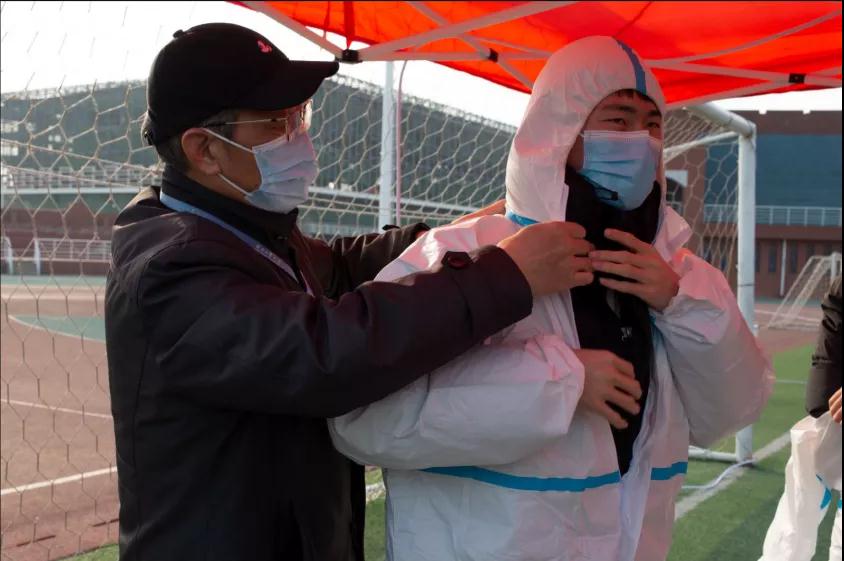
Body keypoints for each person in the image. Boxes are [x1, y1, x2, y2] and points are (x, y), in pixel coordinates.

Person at [105, 23, 598, 561]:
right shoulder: (170, 267)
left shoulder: (248, 230)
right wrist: (505, 276)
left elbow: (339, 266)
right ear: (205, 149)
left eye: (300, 116)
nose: (300, 138)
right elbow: (324, 353)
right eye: (277, 123)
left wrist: (462, 234)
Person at [330, 36, 774, 561]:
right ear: (561, 127)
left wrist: (682, 305)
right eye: (618, 120)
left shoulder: (680, 275)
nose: (641, 141)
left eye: (653, 125)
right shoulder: (464, 254)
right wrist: (560, 381)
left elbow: (733, 409)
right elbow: (365, 417)